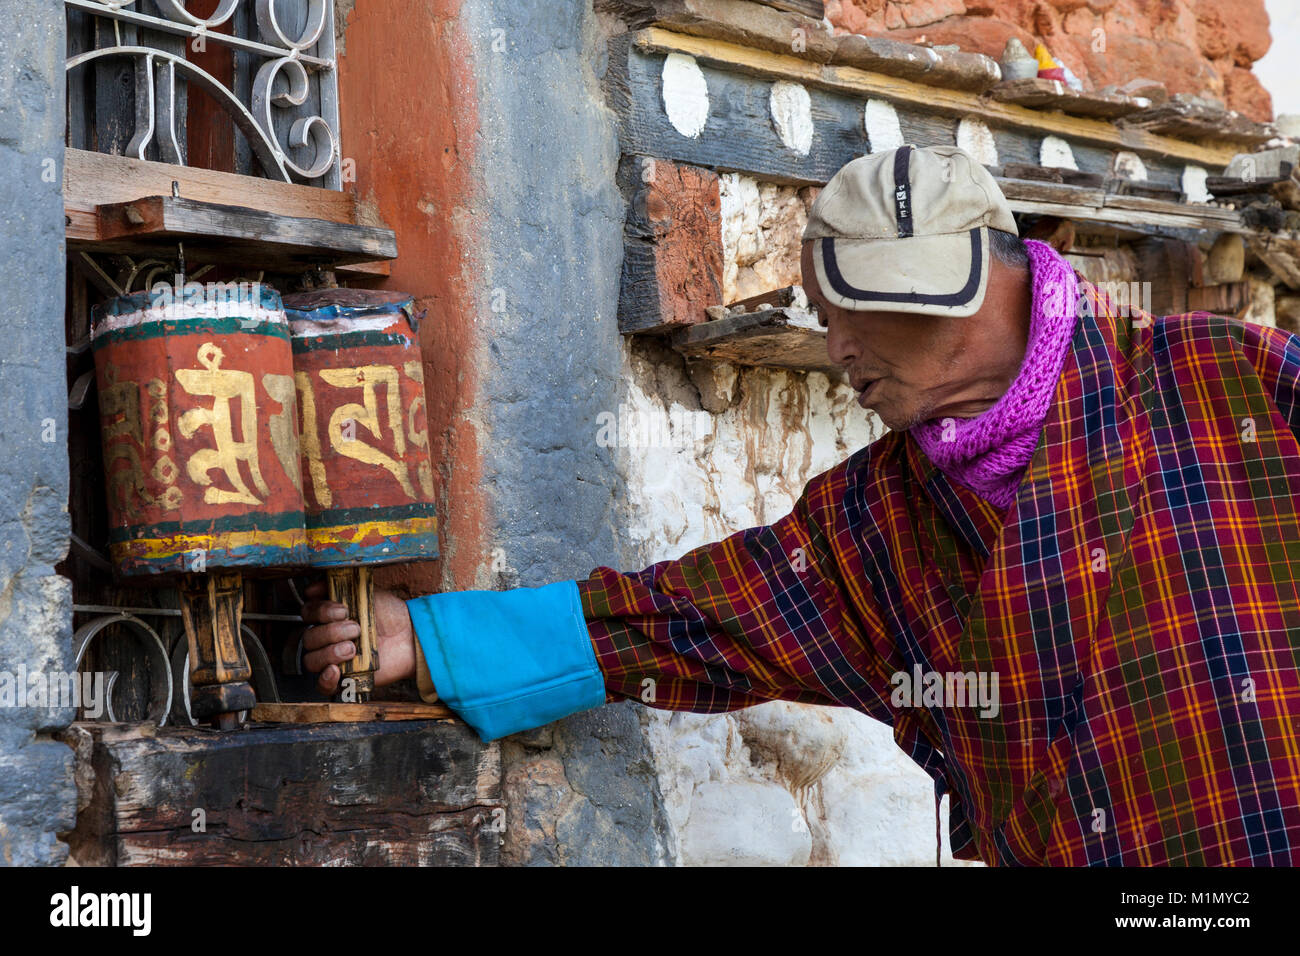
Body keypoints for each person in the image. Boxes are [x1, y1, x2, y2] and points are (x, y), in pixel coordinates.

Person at [301, 144, 1300, 866]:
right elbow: (685, 619)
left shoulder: (1227, 383)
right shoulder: (873, 525)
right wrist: (433, 641)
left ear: (954, 292)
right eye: (824, 319)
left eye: (850, 313)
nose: (837, 350)